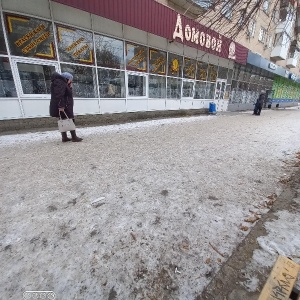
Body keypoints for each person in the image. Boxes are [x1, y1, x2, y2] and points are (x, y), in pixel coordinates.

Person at [49, 72, 82, 142]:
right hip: (64, 106)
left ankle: (65, 137)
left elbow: (64, 93)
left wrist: (69, 87)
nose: (71, 81)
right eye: (70, 79)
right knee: (70, 120)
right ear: (67, 79)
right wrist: (61, 106)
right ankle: (73, 137)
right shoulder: (60, 83)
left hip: (65, 105)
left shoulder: (61, 83)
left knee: (63, 120)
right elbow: (60, 95)